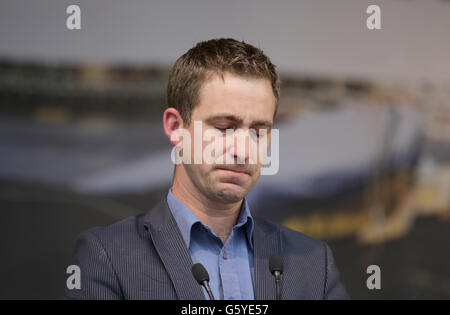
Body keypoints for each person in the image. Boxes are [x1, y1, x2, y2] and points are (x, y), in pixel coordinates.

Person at [64, 38, 349, 300]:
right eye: (224, 128)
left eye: (259, 132)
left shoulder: (313, 263)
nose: (243, 150)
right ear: (176, 128)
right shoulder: (108, 257)